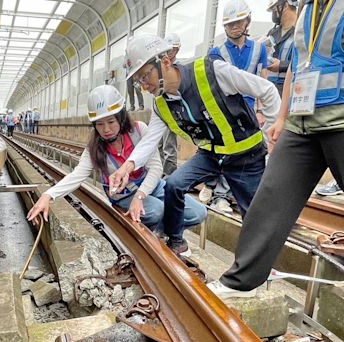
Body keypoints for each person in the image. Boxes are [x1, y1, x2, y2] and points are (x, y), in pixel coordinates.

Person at [205, 0, 344, 298]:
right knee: (270, 197)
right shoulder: (309, 10)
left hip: (340, 121)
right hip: (302, 123)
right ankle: (241, 282)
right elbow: (297, 64)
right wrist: (282, 117)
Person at [108, 34, 280, 256]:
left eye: (145, 76)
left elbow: (267, 90)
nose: (143, 86)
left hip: (246, 154)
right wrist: (127, 167)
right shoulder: (161, 104)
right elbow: (149, 141)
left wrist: (271, 137)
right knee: (174, 184)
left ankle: (251, 269)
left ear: (165, 62)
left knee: (253, 214)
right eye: (138, 81)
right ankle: (176, 240)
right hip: (210, 155)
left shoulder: (212, 71)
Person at [27, 85, 207, 254]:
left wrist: (141, 196)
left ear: (121, 117)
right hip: (124, 194)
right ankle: (157, 233)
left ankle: (162, 231)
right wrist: (48, 195)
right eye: (99, 124)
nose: (106, 129)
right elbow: (77, 175)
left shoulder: (139, 130)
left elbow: (155, 168)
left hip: (150, 185)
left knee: (198, 213)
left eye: (111, 121)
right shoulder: (94, 148)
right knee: (156, 210)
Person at [204, 0, 271, 213]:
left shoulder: (259, 49)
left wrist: (260, 110)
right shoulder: (216, 51)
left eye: (238, 22)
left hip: (250, 108)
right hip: (227, 111)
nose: (233, 27)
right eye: (229, 24)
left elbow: (263, 79)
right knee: (229, 151)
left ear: (247, 21)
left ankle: (242, 194)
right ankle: (220, 195)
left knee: (253, 151)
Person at [157, 32, 181, 177]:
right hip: (160, 109)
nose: (168, 53)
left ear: (177, 50)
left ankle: (170, 176)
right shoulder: (160, 67)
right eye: (166, 50)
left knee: (169, 145)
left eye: (171, 50)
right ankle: (159, 174)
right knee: (158, 144)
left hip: (172, 111)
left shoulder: (178, 67)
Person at [266, 0, 298, 95]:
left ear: (285, 6)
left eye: (274, 8)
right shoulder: (272, 33)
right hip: (270, 90)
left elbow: (306, 62)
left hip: (291, 90)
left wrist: (282, 65)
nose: (273, 12)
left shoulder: (302, 31)